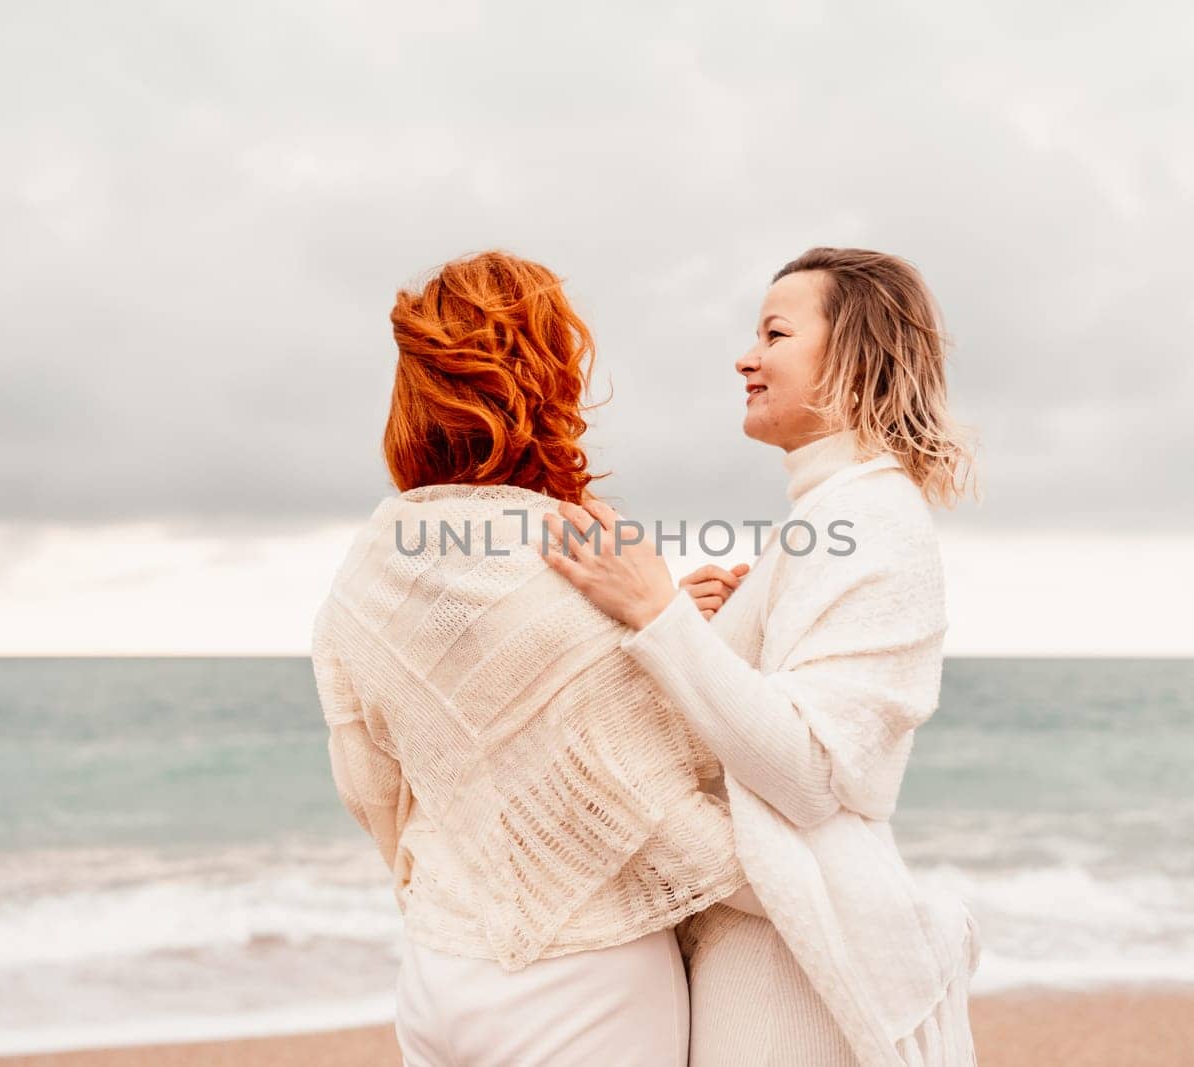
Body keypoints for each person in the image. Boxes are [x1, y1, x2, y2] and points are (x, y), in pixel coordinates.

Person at [309, 251, 756, 1066]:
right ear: (548, 379)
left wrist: (663, 628)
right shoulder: (582, 548)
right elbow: (660, 777)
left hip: (438, 967)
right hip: (583, 975)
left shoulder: (369, 567)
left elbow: (371, 785)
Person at [543, 247, 982, 1066]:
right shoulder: (826, 515)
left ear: (852, 357)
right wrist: (704, 632)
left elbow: (812, 771)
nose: (746, 356)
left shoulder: (873, 517)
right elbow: (749, 729)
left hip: (787, 973)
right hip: (761, 939)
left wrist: (656, 612)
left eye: (775, 333)